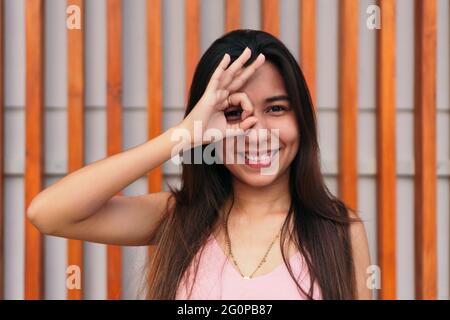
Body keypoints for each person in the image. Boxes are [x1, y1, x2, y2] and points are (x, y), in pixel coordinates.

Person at [27, 29, 371, 300]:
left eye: (276, 108)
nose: (257, 132)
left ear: (302, 119)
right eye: (234, 113)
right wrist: (181, 136)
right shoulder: (177, 216)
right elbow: (47, 213)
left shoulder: (340, 231)